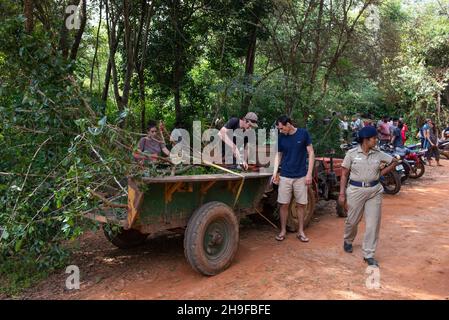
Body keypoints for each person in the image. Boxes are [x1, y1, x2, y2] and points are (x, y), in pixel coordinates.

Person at [338, 126, 397, 267]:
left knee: (373, 223)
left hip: (374, 191)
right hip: (356, 191)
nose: (376, 140)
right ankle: (348, 240)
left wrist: (380, 174)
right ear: (366, 140)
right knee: (352, 221)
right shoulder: (351, 154)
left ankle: (368, 254)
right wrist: (341, 194)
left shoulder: (378, 153)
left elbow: (394, 161)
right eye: (374, 138)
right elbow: (344, 175)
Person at [272, 115, 315, 243]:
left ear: (289, 124)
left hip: (300, 176)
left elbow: (311, 153)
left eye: (281, 128)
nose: (280, 130)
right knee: (283, 204)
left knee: (301, 205)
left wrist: (309, 174)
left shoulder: (303, 134)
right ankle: (283, 231)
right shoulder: (281, 137)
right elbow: (278, 155)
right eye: (279, 129)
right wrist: (275, 172)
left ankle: (300, 231)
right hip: (285, 175)